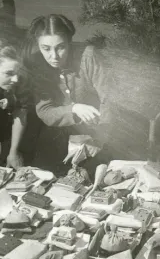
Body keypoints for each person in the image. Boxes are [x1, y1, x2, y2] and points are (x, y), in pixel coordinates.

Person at [22, 14, 115, 175]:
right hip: (56, 137)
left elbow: (110, 99)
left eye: (60, 47)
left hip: (96, 134)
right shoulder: (38, 65)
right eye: (46, 48)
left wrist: (101, 137)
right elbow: (45, 111)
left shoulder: (88, 56)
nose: (54, 56)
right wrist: (73, 108)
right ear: (38, 44)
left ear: (69, 42)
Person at [0, 39, 30, 169]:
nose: (16, 79)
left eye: (18, 73)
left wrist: (13, 151)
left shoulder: (18, 84)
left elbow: (20, 112)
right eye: (9, 73)